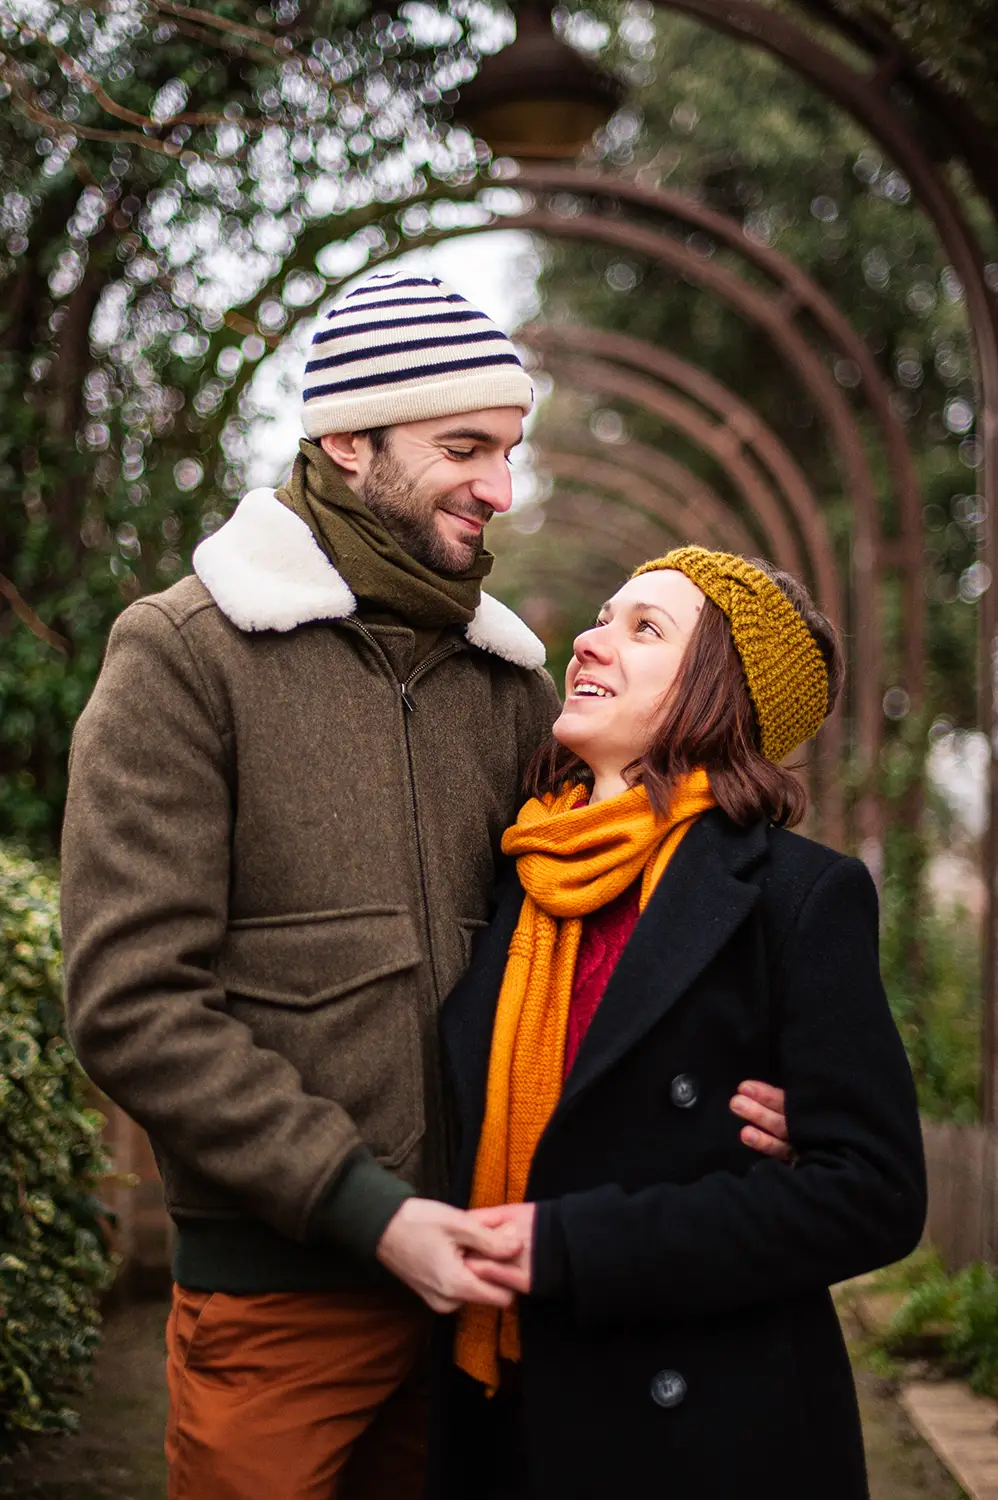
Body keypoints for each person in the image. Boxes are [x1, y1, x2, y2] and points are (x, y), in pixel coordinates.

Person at [59, 274, 791, 1500]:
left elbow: (611, 917)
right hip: (279, 1296)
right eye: (463, 448)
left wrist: (751, 1082)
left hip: (495, 1302)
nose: (499, 490)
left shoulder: (509, 687)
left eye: (508, 451)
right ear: (347, 441)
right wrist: (367, 1210)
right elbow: (132, 1004)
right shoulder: (184, 657)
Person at [438, 548, 927, 1500]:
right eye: (605, 613)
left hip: (702, 1429)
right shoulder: (517, 872)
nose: (590, 638)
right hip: (504, 1406)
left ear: (719, 695)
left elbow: (874, 1191)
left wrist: (576, 1246)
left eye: (644, 629)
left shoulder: (798, 897)